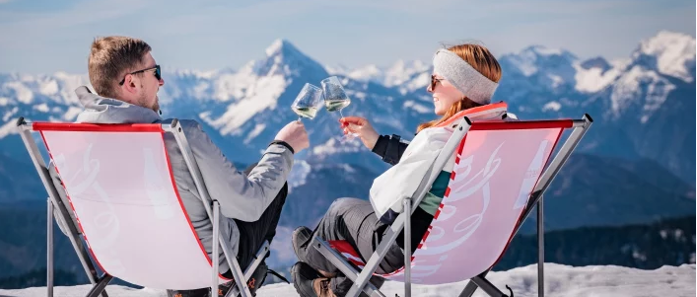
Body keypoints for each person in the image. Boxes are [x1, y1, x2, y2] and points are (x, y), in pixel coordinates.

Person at [72, 36, 309, 297]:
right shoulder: (179, 138)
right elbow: (249, 205)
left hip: (128, 262)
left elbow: (73, 224)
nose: (161, 81)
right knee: (270, 183)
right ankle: (239, 282)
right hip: (204, 263)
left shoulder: (72, 146)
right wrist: (283, 147)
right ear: (132, 82)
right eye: (155, 72)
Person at [290, 43, 513, 297]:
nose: (429, 88)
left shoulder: (437, 139)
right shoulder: (499, 136)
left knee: (340, 211)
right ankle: (336, 287)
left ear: (459, 85)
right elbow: (437, 165)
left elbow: (387, 201)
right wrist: (378, 142)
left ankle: (315, 264)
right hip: (473, 250)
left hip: (412, 251)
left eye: (436, 80)